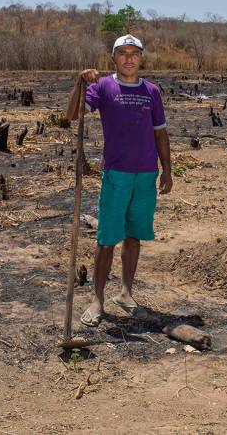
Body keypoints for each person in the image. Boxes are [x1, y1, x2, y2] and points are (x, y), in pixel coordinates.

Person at [66, 34, 172, 327]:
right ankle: (98, 299)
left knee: (134, 236)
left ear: (141, 58)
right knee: (107, 239)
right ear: (114, 57)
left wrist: (167, 169)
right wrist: (80, 83)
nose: (129, 58)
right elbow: (73, 114)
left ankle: (125, 294)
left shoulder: (152, 91)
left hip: (146, 174)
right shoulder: (102, 86)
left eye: (134, 53)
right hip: (116, 173)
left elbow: (160, 133)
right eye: (123, 53)